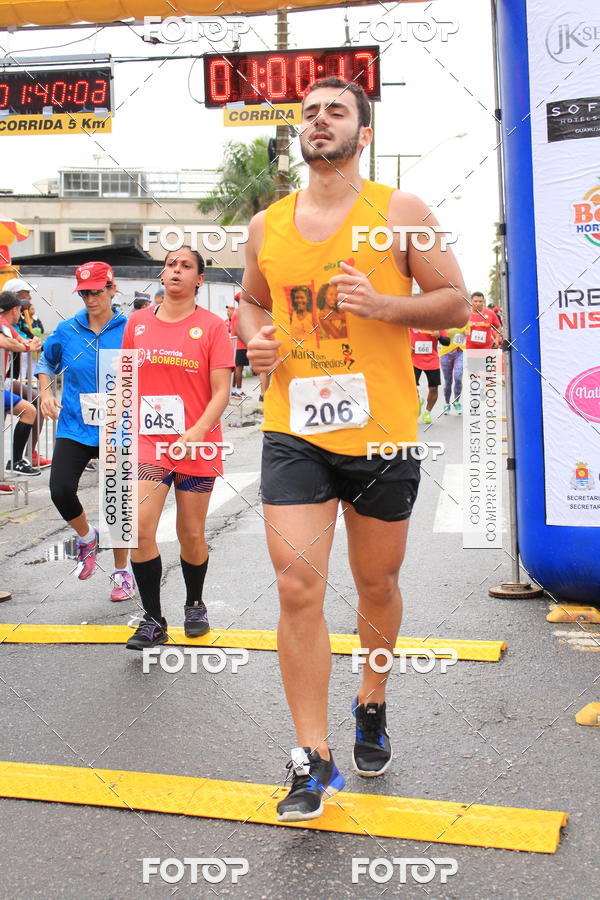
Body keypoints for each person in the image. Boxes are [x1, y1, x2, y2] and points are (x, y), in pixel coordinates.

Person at [238, 76, 469, 822]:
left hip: (381, 434)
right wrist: (255, 342)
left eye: (336, 111)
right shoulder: (266, 225)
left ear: (361, 134)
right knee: (298, 586)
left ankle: (371, 699)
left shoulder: (399, 212)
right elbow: (249, 301)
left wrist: (385, 306)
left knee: (376, 587)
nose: (319, 120)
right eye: (308, 113)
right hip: (294, 430)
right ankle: (313, 754)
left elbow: (455, 301)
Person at [123, 246, 233, 650]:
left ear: (199, 280)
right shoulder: (135, 323)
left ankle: (194, 602)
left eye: (186, 266)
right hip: (149, 442)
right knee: (138, 529)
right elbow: (125, 379)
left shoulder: (213, 326)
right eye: (170, 264)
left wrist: (199, 431)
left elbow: (222, 390)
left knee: (190, 533)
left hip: (197, 445)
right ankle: (153, 619)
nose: (175, 271)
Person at [36, 262, 136, 601]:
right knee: (60, 489)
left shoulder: (132, 328)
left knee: (119, 503)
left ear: (112, 288)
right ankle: (86, 536)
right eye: (84, 293)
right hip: (76, 425)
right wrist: (46, 392)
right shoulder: (67, 330)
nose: (90, 298)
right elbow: (45, 362)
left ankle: (122, 573)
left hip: (119, 426)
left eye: (96, 291)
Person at [0, 291, 45, 474]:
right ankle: (16, 461)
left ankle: (13, 464)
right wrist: (28, 346)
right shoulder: (2, 325)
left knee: (30, 408)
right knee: (30, 410)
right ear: (15, 309)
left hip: (4, 384)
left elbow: (22, 341)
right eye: (20, 308)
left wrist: (32, 342)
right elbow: (7, 343)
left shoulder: (8, 326)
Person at [410, 329, 449, 424]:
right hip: (414, 359)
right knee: (410, 387)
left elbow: (447, 342)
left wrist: (439, 336)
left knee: (433, 389)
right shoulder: (412, 322)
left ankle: (427, 412)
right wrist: (407, 345)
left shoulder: (436, 323)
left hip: (432, 360)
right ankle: (417, 400)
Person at [439, 324, 469, 414]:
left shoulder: (464, 320)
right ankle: (447, 403)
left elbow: (469, 332)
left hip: (460, 352)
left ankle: (456, 401)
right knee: (448, 381)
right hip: (446, 353)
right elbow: (440, 335)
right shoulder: (445, 320)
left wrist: (466, 332)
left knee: (458, 377)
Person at [230, 292, 249, 397]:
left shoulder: (237, 312)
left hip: (238, 345)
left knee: (237, 368)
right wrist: (247, 341)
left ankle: (234, 390)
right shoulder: (239, 313)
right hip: (240, 345)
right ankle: (238, 391)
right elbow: (238, 330)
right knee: (239, 368)